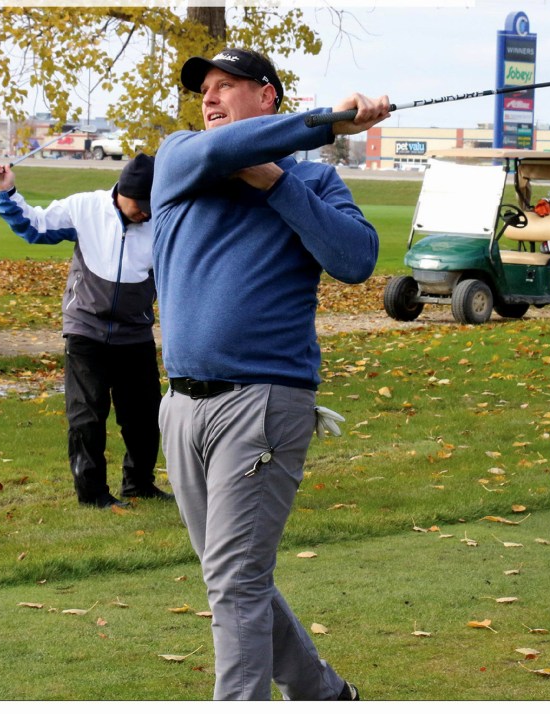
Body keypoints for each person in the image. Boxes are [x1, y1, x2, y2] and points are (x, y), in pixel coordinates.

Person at [150, 47, 389, 700]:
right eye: (205, 89)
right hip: (180, 407)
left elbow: (356, 259)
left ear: (268, 98)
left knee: (235, 582)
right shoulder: (178, 160)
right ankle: (322, 693)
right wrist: (333, 120)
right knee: (234, 576)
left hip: (263, 404)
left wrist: (279, 183)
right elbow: (222, 151)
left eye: (227, 86)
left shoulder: (313, 185)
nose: (210, 98)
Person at [0, 154, 173, 509]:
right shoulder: (84, 208)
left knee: (145, 416)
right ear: (122, 192)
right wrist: (7, 191)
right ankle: (92, 494)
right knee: (87, 415)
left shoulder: (159, 222)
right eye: (141, 205)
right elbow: (34, 227)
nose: (146, 213)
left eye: (153, 206)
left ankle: (139, 484)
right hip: (86, 330)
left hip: (134, 333)